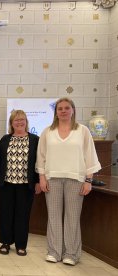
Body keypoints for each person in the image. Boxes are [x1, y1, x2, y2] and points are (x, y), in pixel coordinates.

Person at [36, 97, 101, 266]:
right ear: (56, 112)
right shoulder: (47, 132)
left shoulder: (83, 131)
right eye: (60, 108)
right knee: (54, 217)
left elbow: (90, 156)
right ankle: (54, 252)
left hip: (76, 180)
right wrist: (42, 177)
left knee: (72, 217)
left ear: (73, 110)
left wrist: (88, 180)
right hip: (52, 179)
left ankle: (71, 254)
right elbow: (41, 157)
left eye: (66, 108)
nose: (63, 111)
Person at [0, 110, 40, 256]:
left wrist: (38, 181)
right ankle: (5, 243)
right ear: (11, 123)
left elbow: (39, 162)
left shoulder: (35, 140)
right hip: (6, 183)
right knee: (5, 213)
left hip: (26, 185)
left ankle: (21, 244)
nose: (19, 122)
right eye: (16, 120)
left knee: (22, 215)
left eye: (22, 120)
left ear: (26, 122)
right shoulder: (5, 139)